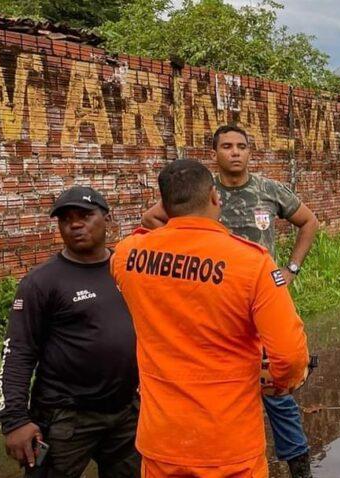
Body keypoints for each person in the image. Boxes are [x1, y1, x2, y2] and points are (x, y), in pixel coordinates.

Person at [111, 159, 309, 476]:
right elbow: (289, 354)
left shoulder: (127, 256)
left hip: (162, 442)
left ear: (164, 203)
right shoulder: (252, 263)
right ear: (215, 198)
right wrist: (280, 384)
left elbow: (149, 239)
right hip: (229, 445)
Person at [0, 186, 140, 477]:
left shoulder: (127, 270)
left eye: (85, 215)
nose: (74, 224)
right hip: (65, 418)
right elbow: (17, 352)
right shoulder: (42, 282)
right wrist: (14, 421)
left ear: (107, 219)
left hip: (126, 413)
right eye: (65, 219)